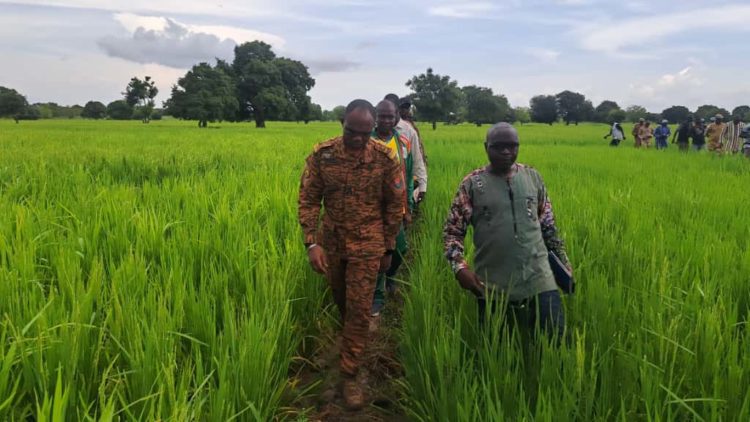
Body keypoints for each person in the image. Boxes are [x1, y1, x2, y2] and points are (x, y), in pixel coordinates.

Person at [298, 99, 405, 409]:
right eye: (351, 131)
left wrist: (388, 247)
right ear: (341, 124)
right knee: (343, 302)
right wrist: (311, 243)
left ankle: (350, 376)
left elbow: (395, 204)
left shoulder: (385, 158)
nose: (357, 138)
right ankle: (349, 343)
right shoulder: (323, 155)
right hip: (331, 244)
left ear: (373, 128)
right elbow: (308, 199)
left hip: (368, 246)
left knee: (359, 310)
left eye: (364, 133)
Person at [443, 123, 572, 340]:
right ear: (486, 147)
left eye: (512, 146)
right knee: (497, 344)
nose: (506, 152)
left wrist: (563, 263)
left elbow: (548, 227)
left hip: (539, 276)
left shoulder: (533, 178)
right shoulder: (472, 184)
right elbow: (453, 232)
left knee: (555, 340)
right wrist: (459, 268)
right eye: (498, 146)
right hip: (491, 282)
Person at [371, 99, 413, 317]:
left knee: (400, 248)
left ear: (397, 116)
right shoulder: (367, 139)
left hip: (396, 206)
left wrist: (409, 207)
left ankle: (390, 275)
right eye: (382, 116)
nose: (386, 120)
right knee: (379, 250)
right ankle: (377, 296)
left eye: (390, 116)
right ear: (375, 117)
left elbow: (408, 175)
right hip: (372, 207)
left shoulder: (403, 142)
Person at [385, 94, 428, 205]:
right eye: (383, 115)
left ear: (397, 109)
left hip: (403, 188)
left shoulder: (409, 131)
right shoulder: (374, 132)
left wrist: (422, 186)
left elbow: (417, 159)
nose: (386, 119)